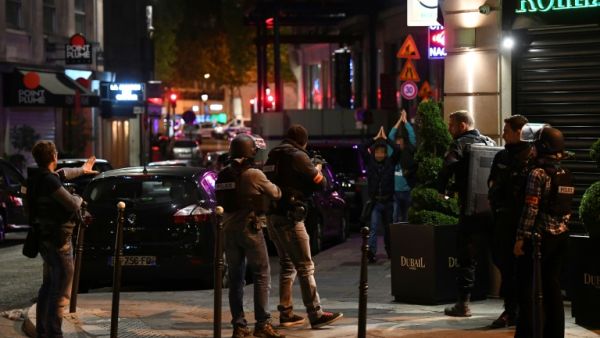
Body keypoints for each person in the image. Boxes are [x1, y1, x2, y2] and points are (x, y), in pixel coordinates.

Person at [264, 124, 343, 329]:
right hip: (290, 218)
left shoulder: (273, 155)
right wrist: (317, 168)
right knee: (305, 266)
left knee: (287, 265)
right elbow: (320, 183)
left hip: (273, 217)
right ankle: (315, 313)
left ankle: (286, 312)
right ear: (303, 141)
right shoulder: (298, 156)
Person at [215, 134, 284, 338]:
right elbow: (276, 193)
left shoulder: (222, 175)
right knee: (262, 275)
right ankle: (262, 324)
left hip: (228, 232)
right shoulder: (254, 174)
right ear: (249, 151)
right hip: (250, 229)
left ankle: (239, 325)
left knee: (235, 279)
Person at [28, 141, 98, 338]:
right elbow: (71, 204)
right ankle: (54, 333)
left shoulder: (38, 178)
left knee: (48, 285)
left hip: (44, 239)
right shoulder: (49, 182)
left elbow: (63, 173)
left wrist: (83, 170)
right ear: (54, 156)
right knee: (61, 293)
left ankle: (43, 330)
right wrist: (80, 199)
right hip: (60, 242)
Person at [513, 126, 572, 338]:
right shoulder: (564, 172)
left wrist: (520, 237)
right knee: (552, 287)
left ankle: (529, 333)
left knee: (529, 290)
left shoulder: (537, 174)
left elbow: (531, 209)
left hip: (539, 240)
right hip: (561, 237)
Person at [437, 111, 496, 317]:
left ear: (462, 125)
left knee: (466, 258)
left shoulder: (459, 144)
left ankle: (463, 304)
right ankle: (512, 308)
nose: (448, 129)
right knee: (498, 257)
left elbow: (447, 166)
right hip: (491, 210)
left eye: (451, 125)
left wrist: (442, 188)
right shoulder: (489, 142)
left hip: (469, 211)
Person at [487, 115, 533, 328]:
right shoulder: (502, 156)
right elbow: (492, 183)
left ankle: (522, 311)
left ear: (519, 132)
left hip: (523, 221)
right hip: (503, 220)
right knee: (503, 264)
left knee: (522, 269)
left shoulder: (532, 156)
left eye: (507, 130)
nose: (503, 133)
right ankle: (510, 309)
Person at [361, 126, 402, 262]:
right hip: (375, 202)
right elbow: (361, 148)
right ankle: (371, 253)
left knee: (388, 229)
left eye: (382, 152)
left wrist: (386, 139)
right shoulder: (370, 162)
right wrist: (374, 138)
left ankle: (390, 251)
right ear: (373, 153)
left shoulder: (390, 163)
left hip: (388, 201)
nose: (379, 155)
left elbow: (397, 149)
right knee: (372, 228)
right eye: (377, 152)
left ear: (385, 153)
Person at [387, 109, 417, 223]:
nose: (398, 144)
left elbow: (412, 137)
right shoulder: (391, 153)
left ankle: (406, 239)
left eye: (401, 142)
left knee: (407, 218)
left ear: (404, 143)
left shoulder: (408, 152)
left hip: (407, 190)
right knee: (394, 217)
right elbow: (390, 136)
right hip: (395, 191)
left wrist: (406, 122)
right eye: (396, 143)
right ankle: (394, 239)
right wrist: (399, 121)